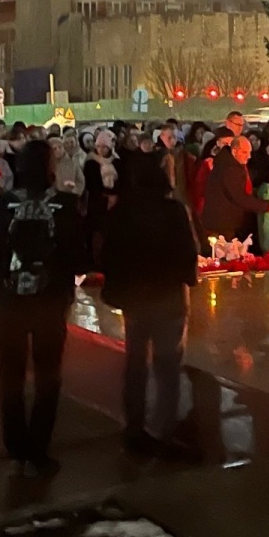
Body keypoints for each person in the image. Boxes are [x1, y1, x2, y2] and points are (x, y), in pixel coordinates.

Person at [0, 140, 85, 476]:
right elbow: (78, 255)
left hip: (8, 303)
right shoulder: (65, 205)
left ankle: (15, 443)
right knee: (48, 374)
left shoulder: (1, 205)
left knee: (10, 373)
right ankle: (39, 447)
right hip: (50, 301)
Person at [100, 150, 198, 459]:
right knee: (168, 365)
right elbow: (187, 251)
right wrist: (188, 279)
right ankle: (162, 430)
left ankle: (134, 426)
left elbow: (108, 253)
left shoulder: (121, 212)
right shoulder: (173, 211)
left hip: (135, 297)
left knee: (136, 362)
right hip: (168, 295)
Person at [199, 133, 269, 247]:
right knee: (224, 256)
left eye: (249, 152)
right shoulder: (230, 169)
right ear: (234, 151)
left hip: (221, 221)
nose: (249, 156)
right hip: (222, 224)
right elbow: (239, 197)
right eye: (244, 152)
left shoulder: (227, 163)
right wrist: (267, 206)